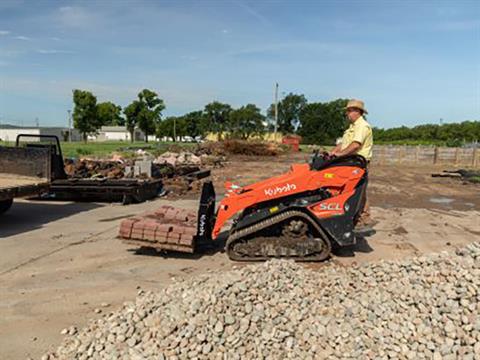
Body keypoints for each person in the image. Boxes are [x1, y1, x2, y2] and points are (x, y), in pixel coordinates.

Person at [330, 99, 374, 229]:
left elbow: (355, 145)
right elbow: (342, 144)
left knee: (358, 191)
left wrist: (340, 154)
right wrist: (332, 153)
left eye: (349, 111)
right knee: (348, 190)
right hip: (350, 163)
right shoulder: (351, 128)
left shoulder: (362, 126)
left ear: (357, 112)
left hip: (359, 163)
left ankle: (363, 219)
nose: (347, 114)